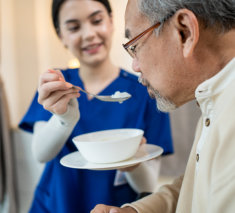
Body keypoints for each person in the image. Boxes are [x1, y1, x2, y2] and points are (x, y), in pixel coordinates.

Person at [19, 0, 173, 212]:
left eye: (97, 20)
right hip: (55, 205)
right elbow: (41, 154)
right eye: (74, 27)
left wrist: (132, 161)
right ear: (61, 35)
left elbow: (147, 185)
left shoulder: (146, 89)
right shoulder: (56, 85)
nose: (89, 34)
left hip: (115, 208)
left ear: (111, 22)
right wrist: (64, 119)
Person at [91, 0, 235, 212]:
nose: (135, 66)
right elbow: (196, 184)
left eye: (135, 46)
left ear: (184, 32)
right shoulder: (212, 98)